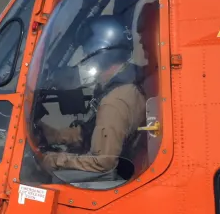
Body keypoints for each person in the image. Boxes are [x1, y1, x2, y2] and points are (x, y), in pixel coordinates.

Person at [35, 16, 145, 182]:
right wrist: (54, 135)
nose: (85, 61)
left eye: (87, 54)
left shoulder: (114, 101)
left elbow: (104, 162)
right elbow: (95, 132)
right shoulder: (126, 82)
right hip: (122, 168)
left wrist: (54, 160)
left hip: (112, 179)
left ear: (101, 55)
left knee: (47, 181)